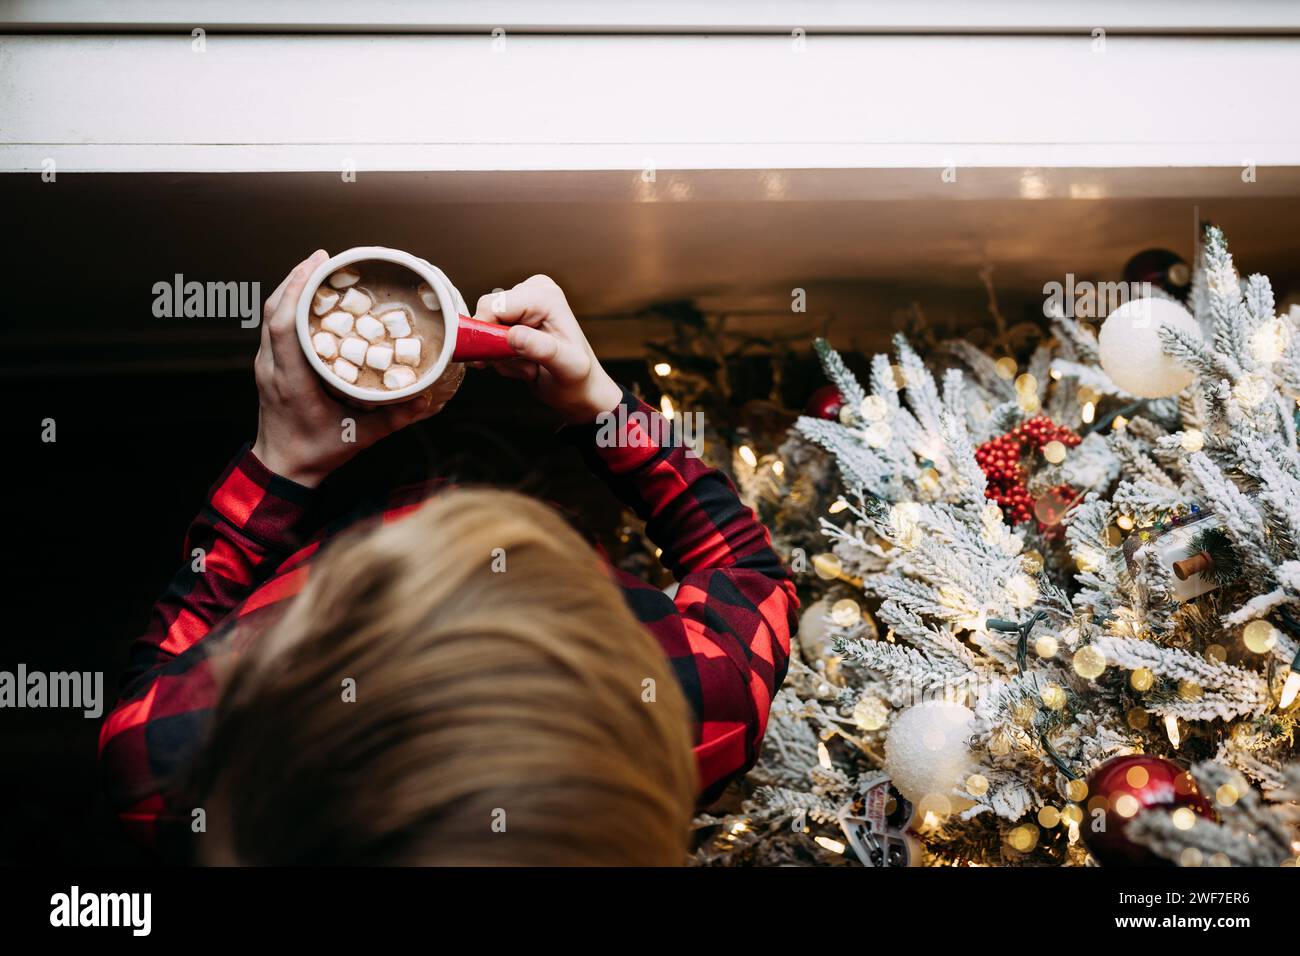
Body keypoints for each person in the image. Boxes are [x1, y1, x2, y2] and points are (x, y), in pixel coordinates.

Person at [98, 251, 798, 865]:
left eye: (362, 601)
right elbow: (746, 568)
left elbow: (153, 682)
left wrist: (280, 463)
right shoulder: (692, 719)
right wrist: (600, 405)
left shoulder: (172, 766)